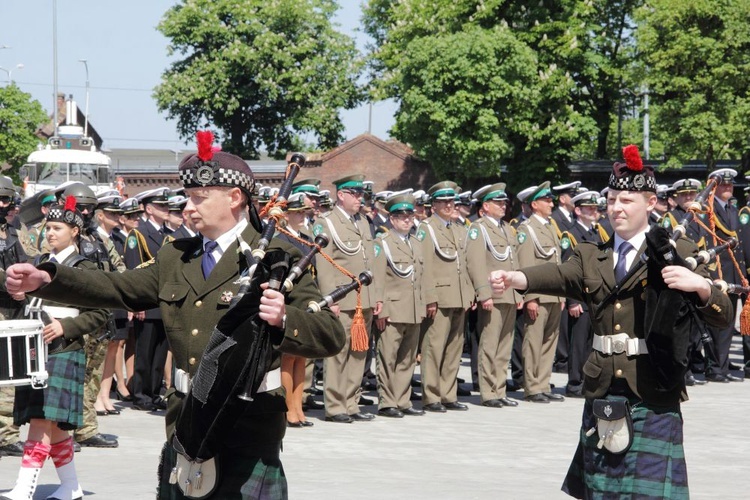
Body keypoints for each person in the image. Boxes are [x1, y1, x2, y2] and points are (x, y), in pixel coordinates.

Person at [6, 134, 345, 499]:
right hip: (184, 424)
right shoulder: (175, 256)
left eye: (200, 198)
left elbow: (329, 333)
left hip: (247, 429)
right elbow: (117, 287)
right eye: (188, 197)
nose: (189, 207)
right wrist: (48, 278)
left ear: (234, 198)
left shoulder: (279, 255)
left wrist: (283, 319)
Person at [489, 146, 733, 498]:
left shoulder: (680, 252)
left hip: (654, 389)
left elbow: (724, 317)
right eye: (613, 199)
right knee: (602, 492)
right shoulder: (592, 254)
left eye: (627, 200)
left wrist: (702, 288)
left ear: (650, 203)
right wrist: (516, 278)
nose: (616, 208)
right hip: (603, 390)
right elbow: (558, 275)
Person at [3, 197, 109, 500]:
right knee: (53, 423)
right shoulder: (38, 264)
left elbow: (101, 312)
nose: (50, 233)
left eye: (57, 228)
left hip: (64, 348)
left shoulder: (84, 267)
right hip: (35, 349)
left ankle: (24, 488)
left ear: (74, 231)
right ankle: (71, 487)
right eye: (48, 227)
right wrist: (22, 298)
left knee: (41, 419)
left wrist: (66, 327)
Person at [312, 175, 384, 423]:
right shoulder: (326, 223)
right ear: (341, 195)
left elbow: (370, 262)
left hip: (363, 299)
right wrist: (330, 299)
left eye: (361, 195)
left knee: (359, 352)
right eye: (355, 194)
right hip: (342, 299)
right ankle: (334, 405)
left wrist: (376, 297)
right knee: (338, 352)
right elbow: (324, 265)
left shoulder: (363, 222)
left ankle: (352, 403)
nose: (360, 199)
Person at [415, 181, 473, 412]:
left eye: (452, 201)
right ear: (433, 206)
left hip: (459, 295)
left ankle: (449, 393)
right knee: (434, 347)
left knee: (454, 348)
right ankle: (431, 395)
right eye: (444, 202)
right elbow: (424, 266)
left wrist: (470, 294)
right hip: (439, 295)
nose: (450, 205)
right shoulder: (427, 229)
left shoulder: (459, 228)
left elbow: (465, 264)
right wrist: (430, 296)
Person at [374, 191, 430, 418]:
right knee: (388, 357)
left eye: (410, 216)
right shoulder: (383, 243)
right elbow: (378, 279)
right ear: (392, 219)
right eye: (401, 216)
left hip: (414, 309)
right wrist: (381, 309)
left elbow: (422, 276)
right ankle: (387, 401)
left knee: (407, 358)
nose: (407, 220)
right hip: (393, 309)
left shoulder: (416, 243)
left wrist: (424, 304)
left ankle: (402, 399)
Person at [465, 183, 520, 408]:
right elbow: (476, 263)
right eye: (498, 203)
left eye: (504, 203)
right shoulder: (479, 229)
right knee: (490, 344)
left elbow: (514, 263)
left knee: (505, 345)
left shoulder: (507, 229)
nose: (503, 206)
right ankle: (488, 391)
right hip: (493, 296)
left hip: (509, 295)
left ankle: (500, 389)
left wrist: (519, 293)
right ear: (485, 206)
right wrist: (483, 293)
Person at [515, 181, 565, 403]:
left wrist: (562, 294)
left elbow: (557, 262)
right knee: (534, 342)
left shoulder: (548, 226)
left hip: (553, 293)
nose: (551, 203)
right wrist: (530, 297)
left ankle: (543, 383)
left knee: (549, 341)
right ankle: (532, 386)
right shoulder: (527, 230)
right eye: (546, 200)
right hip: (539, 295)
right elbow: (526, 266)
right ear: (535, 204)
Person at [0, 177, 29, 459]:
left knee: (9, 374)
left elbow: (27, 262)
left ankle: (6, 434)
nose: (0, 205)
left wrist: (23, 286)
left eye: (5, 200)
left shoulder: (12, 233)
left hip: (11, 310)